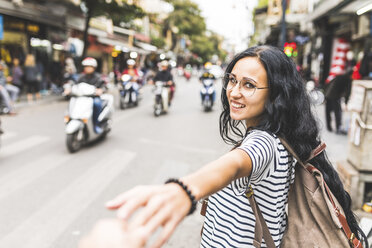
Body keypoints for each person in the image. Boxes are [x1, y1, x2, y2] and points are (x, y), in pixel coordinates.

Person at [79, 46, 367, 248]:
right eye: (232, 80)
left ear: (275, 95)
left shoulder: (264, 142)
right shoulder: (283, 136)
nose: (234, 92)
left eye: (249, 85)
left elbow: (236, 164)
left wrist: (183, 190)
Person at [73, 57, 105, 133]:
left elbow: (103, 86)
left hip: (93, 98)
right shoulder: (81, 77)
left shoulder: (98, 77)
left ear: (93, 68)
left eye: (90, 67)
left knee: (97, 104)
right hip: (82, 98)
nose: (88, 68)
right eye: (86, 67)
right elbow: (74, 85)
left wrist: (100, 90)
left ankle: (96, 124)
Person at [324, 69, 353, 135]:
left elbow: (329, 83)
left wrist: (325, 93)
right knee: (337, 113)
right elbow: (347, 92)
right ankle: (338, 128)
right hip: (335, 96)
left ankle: (329, 127)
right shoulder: (348, 80)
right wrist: (346, 102)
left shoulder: (339, 76)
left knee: (328, 112)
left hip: (328, 95)